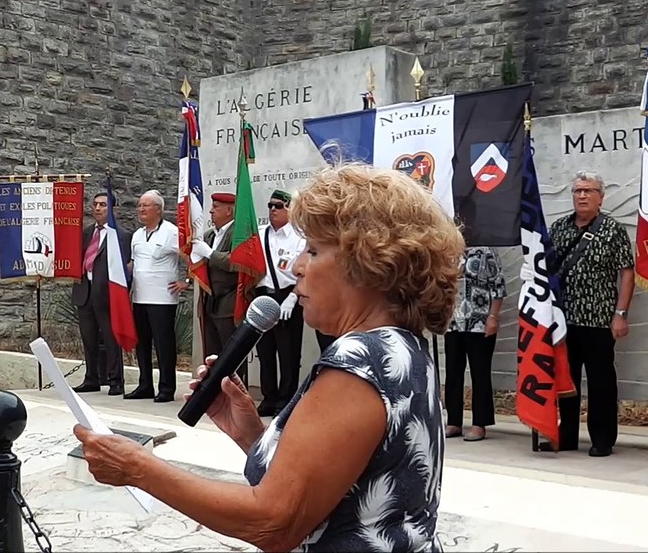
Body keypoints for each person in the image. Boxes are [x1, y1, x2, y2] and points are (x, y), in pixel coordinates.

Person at [73, 163, 464, 552]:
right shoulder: (405, 349)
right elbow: (336, 486)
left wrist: (138, 468)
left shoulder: (359, 362)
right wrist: (252, 435)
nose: (297, 266)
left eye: (313, 250)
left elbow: (275, 522)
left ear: (370, 265)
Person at [546, 170, 634, 457]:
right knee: (566, 380)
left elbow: (627, 273)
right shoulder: (559, 228)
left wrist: (621, 313)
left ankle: (602, 438)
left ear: (601, 197)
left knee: (601, 382)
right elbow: (546, 269)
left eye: (588, 191)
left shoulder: (612, 229)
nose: (582, 195)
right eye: (578, 191)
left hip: (599, 319)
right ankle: (566, 435)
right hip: (564, 320)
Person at [127, 190, 188, 403]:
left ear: (159, 209)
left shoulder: (171, 232)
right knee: (142, 343)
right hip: (139, 297)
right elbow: (133, 263)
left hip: (162, 299)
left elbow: (191, 256)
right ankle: (145, 384)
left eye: (146, 205)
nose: (141, 209)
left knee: (163, 344)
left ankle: (166, 387)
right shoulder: (137, 234)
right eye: (139, 205)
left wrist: (186, 281)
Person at [251, 190, 308, 417]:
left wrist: (293, 298)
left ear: (289, 209)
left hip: (287, 296)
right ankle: (269, 398)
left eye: (278, 206)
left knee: (288, 353)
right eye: (270, 205)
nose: (273, 210)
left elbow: (303, 272)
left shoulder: (299, 238)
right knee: (265, 351)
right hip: (263, 295)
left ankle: (286, 400)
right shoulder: (260, 234)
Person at [70, 192, 132, 396]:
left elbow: (125, 269)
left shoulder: (121, 235)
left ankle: (115, 380)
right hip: (85, 291)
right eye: (95, 204)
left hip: (107, 294)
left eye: (103, 205)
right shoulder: (86, 233)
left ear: (113, 209)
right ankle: (91, 378)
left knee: (110, 338)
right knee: (88, 337)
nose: (97, 208)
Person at [444, 246, 506, 441]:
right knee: (453, 372)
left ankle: (480, 423)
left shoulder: (487, 251)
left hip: (479, 321)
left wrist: (493, 316)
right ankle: (453, 421)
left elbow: (498, 287)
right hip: (454, 321)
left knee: (480, 373)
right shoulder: (448, 249)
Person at [189, 192, 247, 383]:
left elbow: (236, 262)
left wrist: (210, 253)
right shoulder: (209, 235)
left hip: (229, 302)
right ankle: (214, 390)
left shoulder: (239, 234)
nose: (211, 211)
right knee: (211, 354)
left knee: (231, 353)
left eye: (216, 207)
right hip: (209, 301)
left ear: (229, 210)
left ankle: (235, 390)